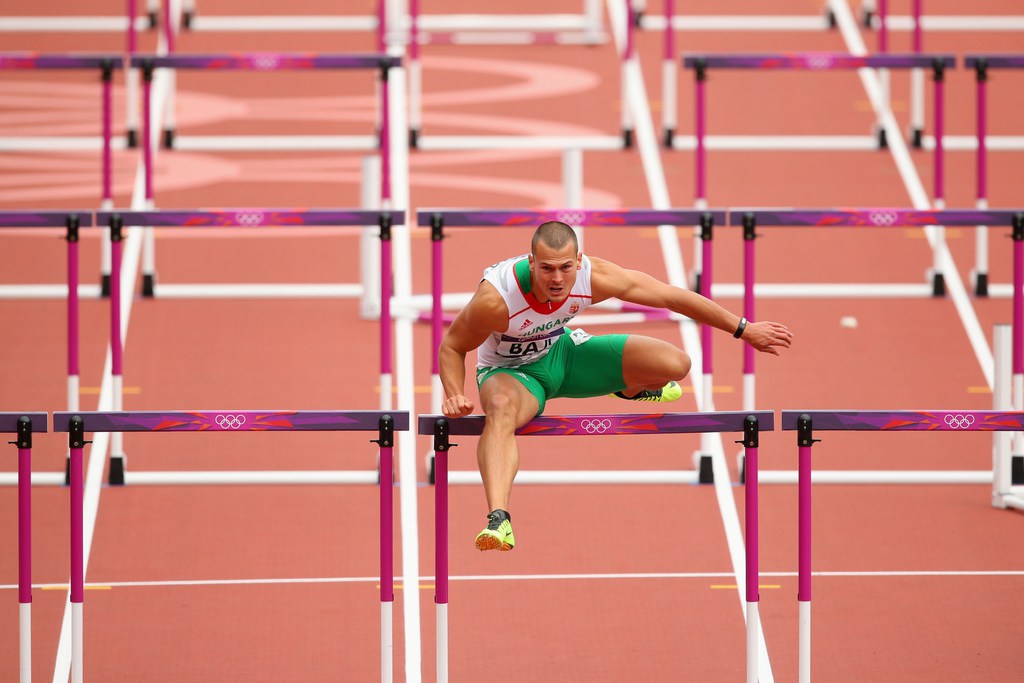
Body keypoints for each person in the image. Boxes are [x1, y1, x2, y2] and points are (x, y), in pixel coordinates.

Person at [438, 221, 793, 551]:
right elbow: (452, 346)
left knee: (676, 365)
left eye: (565, 267)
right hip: (513, 375)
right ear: (532, 263)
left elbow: (671, 296)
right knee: (500, 410)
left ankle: (628, 388)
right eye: (547, 268)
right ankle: (499, 520)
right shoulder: (496, 299)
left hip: (564, 353)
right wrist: (454, 393)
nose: (557, 278)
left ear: (578, 261)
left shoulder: (595, 277)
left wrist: (743, 329)